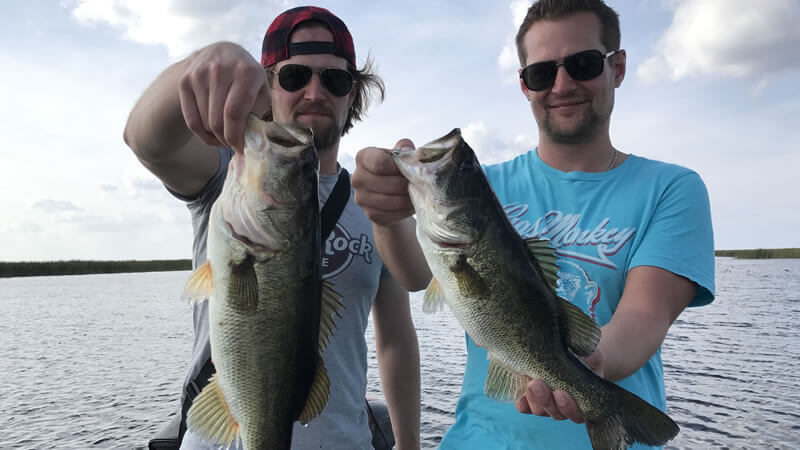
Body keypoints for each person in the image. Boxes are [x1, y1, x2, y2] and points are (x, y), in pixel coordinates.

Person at [351, 0, 715, 448]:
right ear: (524, 85)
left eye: (583, 65)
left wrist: (590, 366)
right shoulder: (489, 187)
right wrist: (387, 217)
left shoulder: (671, 188)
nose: (562, 85)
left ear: (617, 67)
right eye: (542, 73)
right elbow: (413, 275)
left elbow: (645, 315)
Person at [124, 6, 420, 450]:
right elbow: (147, 142)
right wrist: (200, 62)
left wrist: (409, 444)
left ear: (352, 94)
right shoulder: (224, 175)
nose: (315, 92)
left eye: (335, 80)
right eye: (295, 76)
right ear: (265, 85)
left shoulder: (376, 199)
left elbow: (395, 337)